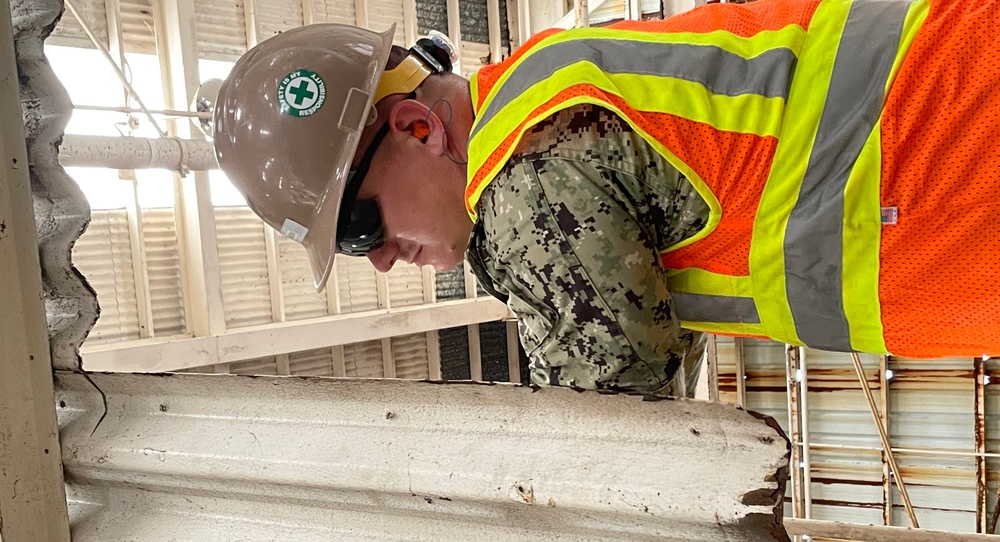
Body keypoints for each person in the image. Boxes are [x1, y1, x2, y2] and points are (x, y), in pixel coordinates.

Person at [213, 0, 1000, 398]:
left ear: (417, 128)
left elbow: (617, 421)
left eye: (358, 228)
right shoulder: (544, 87)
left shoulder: (525, 177)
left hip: (960, 176)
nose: (382, 261)